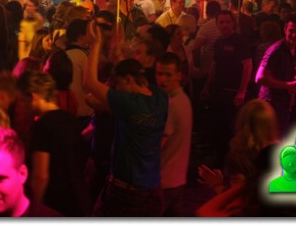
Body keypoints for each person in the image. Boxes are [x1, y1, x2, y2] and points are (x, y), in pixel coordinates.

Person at [84, 21, 168, 217]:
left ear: (129, 80)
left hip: (125, 193)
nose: (117, 89)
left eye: (119, 85)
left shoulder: (128, 103)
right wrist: (118, 51)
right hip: (152, 191)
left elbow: (89, 83)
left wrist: (96, 44)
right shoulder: (160, 97)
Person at [17, 70, 88, 216]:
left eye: (22, 100)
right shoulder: (72, 120)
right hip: (78, 201)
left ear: (33, 97)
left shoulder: (42, 126)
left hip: (55, 203)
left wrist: (32, 210)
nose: (22, 106)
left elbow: (40, 176)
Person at [201, 10, 253, 166]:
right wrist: (207, 87)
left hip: (233, 92)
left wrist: (242, 91)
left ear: (233, 24)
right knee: (217, 127)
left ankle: (230, 162)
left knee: (231, 129)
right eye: (221, 22)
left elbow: (247, 66)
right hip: (218, 90)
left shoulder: (240, 42)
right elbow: (214, 65)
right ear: (217, 24)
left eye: (227, 22)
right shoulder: (218, 43)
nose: (225, 25)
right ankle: (218, 160)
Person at [256, 15, 296, 136]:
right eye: (291, 31)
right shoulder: (276, 50)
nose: (294, 35)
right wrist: (288, 85)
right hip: (270, 105)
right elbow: (259, 77)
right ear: (285, 30)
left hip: (283, 105)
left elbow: (289, 75)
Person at [156, 52, 192, 216]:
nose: (162, 79)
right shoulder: (184, 100)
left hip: (165, 181)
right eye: (159, 74)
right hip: (177, 179)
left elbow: (158, 145)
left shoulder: (172, 104)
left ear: (178, 75)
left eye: (168, 75)